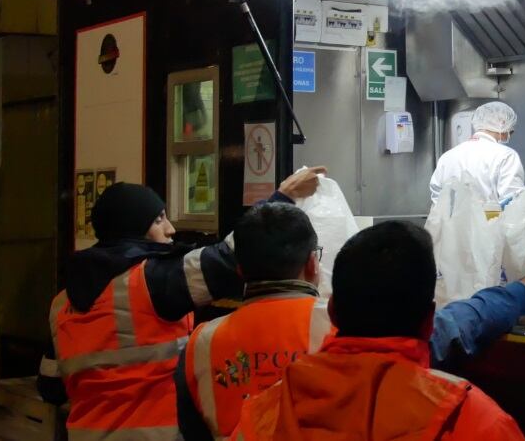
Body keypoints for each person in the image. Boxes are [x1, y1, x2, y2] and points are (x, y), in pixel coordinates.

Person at [176, 203, 525, 440]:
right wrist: (519, 295)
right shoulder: (471, 421)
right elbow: (458, 325)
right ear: (313, 265)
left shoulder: (252, 408)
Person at [37, 167, 326, 441]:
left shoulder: (61, 303)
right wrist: (282, 198)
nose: (170, 229)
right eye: (158, 220)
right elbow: (230, 257)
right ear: (135, 227)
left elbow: (50, 386)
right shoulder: (150, 280)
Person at [430, 101, 525, 204]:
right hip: (492, 215)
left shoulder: (447, 157)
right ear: (502, 123)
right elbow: (513, 201)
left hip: (450, 215)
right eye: (510, 131)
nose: (509, 135)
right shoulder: (506, 155)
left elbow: (437, 198)